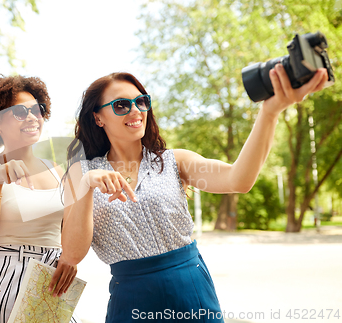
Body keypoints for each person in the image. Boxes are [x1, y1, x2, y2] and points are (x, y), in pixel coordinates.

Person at [56, 66, 328, 322]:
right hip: (132, 297)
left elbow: (239, 179)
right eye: (121, 105)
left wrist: (270, 111)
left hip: (192, 288)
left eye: (142, 101)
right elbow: (73, 254)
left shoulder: (175, 161)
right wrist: (87, 185)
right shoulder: (81, 175)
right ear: (98, 117)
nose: (136, 110)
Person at [0, 75, 80, 323]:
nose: (31, 117)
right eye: (18, 111)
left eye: (37, 110)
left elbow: (69, 236)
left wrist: (70, 258)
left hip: (51, 289)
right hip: (2, 286)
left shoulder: (57, 171)